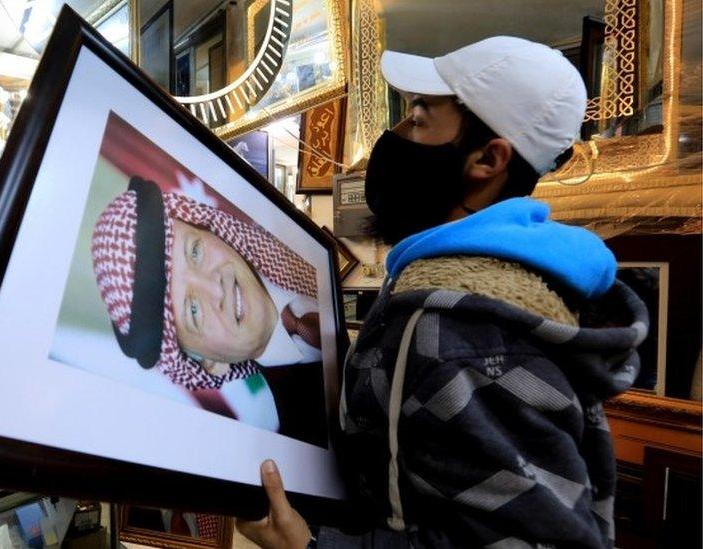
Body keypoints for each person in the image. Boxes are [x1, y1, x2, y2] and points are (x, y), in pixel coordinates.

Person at [238, 36, 648, 548]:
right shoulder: (467, 286)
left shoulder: (462, 329)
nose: (398, 134)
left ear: (488, 159)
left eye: (418, 116)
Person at [90, 176, 322, 391]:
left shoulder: (298, 237)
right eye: (193, 310)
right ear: (208, 364)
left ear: (209, 230)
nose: (215, 287)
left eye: (195, 251)